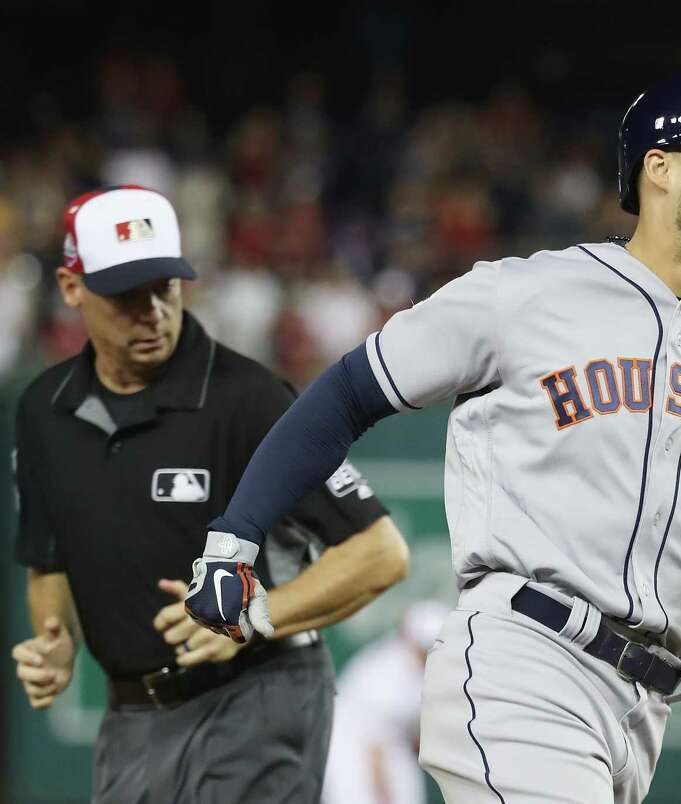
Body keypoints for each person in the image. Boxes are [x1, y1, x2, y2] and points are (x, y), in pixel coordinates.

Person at [184, 72, 681, 804]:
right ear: (660, 167)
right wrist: (234, 537)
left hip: (643, 708)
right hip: (522, 660)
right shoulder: (523, 295)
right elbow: (346, 395)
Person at [9, 185, 410, 804]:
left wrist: (253, 618)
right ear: (70, 289)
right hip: (132, 718)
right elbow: (50, 560)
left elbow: (380, 551)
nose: (153, 312)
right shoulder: (43, 412)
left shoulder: (247, 400)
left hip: (256, 697)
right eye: (125, 295)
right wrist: (56, 639)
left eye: (164, 287)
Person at [322, 600, 452, 804]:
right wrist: (384, 796)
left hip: (386, 748)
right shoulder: (387, 678)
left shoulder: (418, 670)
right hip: (356, 753)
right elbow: (374, 748)